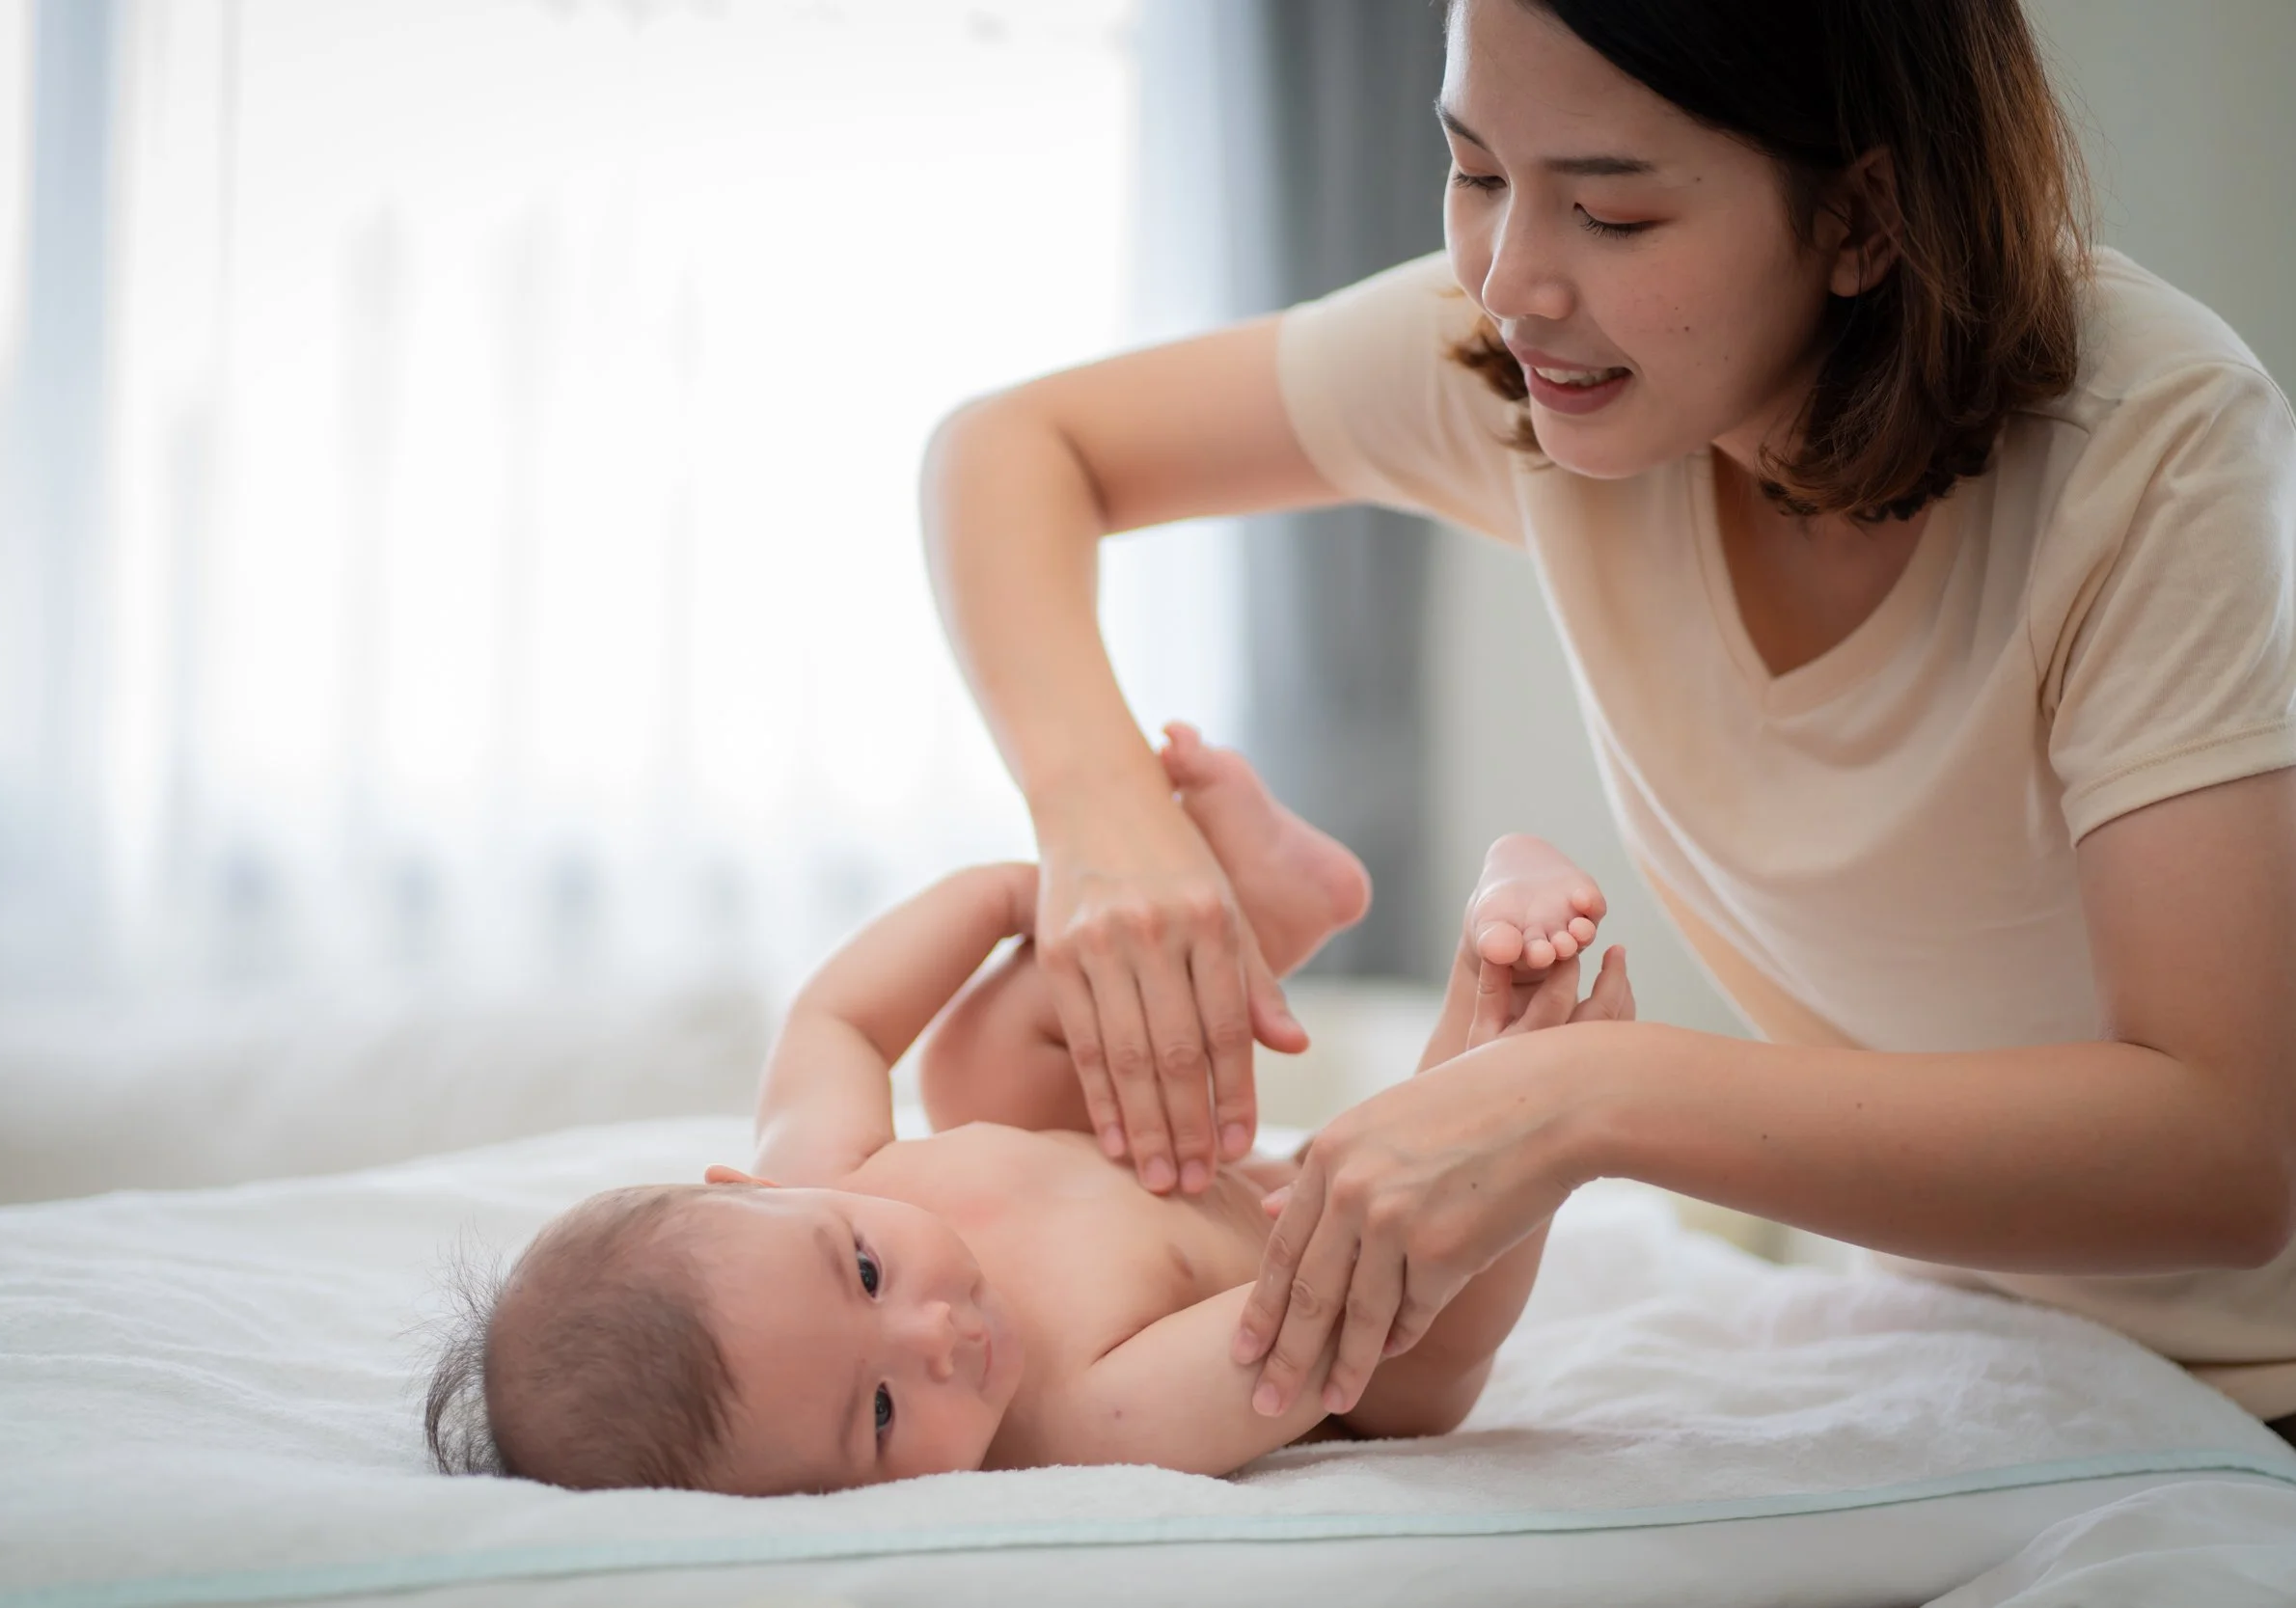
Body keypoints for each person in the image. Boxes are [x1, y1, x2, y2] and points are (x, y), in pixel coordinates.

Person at [919, 0, 2296, 1434]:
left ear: (1863, 219)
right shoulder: (1539, 374)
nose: (1513, 282)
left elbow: (2222, 1151)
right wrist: (1103, 821)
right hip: (1960, 1347)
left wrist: (1587, 1096)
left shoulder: (2150, 448)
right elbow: (1011, 447)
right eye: (1476, 172)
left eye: (1613, 214)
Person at [424, 727, 1632, 1492]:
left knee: (979, 1058)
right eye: (883, 1411)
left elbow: (835, 1021)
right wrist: (1455, 1130)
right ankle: (1507, 998)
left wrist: (1027, 894)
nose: (934, 1333)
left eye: (860, 1270)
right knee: (1421, 1275)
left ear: (758, 1188)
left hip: (1154, 1138)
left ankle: (1242, 910)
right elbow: (1316, 1329)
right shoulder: (1085, 1418)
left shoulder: (836, 1164)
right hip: (1333, 1269)